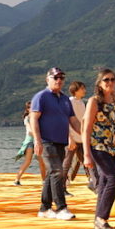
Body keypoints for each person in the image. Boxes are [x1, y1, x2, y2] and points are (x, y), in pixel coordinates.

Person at [83, 69, 115, 229]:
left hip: (114, 147)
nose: (110, 82)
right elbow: (86, 128)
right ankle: (102, 217)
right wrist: (86, 154)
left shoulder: (112, 100)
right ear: (99, 83)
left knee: (105, 181)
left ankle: (98, 219)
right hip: (98, 146)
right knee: (114, 179)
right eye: (106, 80)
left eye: (112, 80)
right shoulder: (94, 101)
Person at [30, 68, 75, 220]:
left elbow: (72, 120)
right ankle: (61, 207)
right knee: (58, 172)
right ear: (47, 79)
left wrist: (86, 134)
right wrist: (37, 140)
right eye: (55, 77)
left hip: (61, 141)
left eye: (62, 77)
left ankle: (44, 208)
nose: (59, 80)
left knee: (51, 174)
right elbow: (33, 118)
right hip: (46, 141)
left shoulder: (65, 99)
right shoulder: (41, 97)